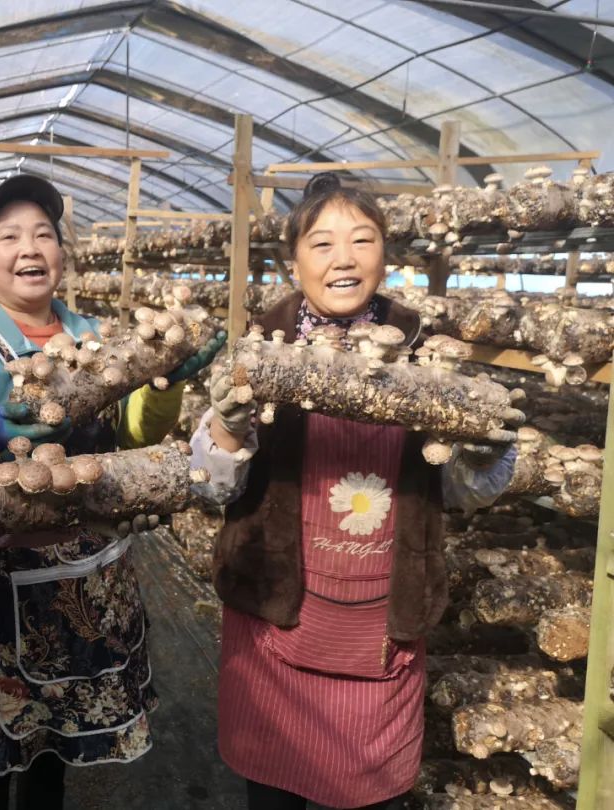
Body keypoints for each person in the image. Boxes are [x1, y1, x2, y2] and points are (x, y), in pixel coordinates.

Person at [190, 173, 517, 810]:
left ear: (384, 256)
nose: (344, 259)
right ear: (294, 262)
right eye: (322, 244)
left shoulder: (426, 355)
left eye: (362, 240)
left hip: (379, 625)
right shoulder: (261, 350)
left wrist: (484, 448)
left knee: (371, 793)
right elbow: (215, 487)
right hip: (274, 621)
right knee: (274, 792)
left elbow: (462, 490)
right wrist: (227, 430)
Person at [0, 174, 225, 809]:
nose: (29, 247)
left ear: (62, 254)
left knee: (53, 757)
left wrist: (162, 388)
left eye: (43, 234)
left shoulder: (96, 335)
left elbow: (130, 433)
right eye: (8, 236)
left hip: (89, 583)